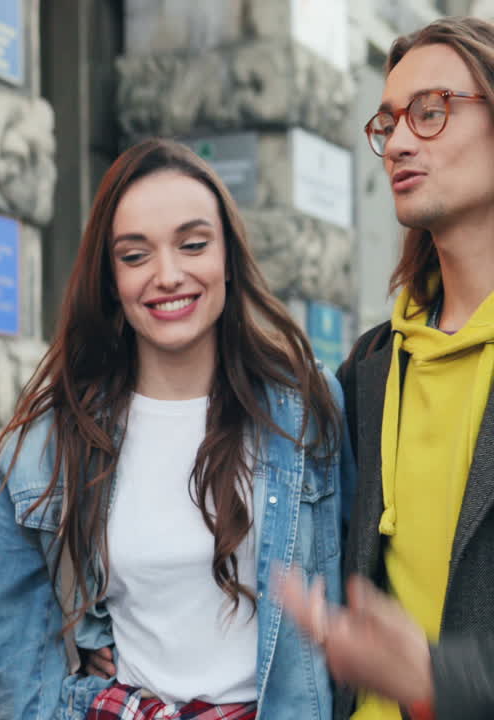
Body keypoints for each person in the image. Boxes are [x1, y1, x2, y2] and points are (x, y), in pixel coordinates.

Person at [0, 138, 351, 720]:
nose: (168, 275)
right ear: (110, 279)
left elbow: (348, 599)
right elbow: (19, 666)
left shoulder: (306, 408)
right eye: (135, 256)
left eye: (194, 244)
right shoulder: (45, 444)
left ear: (228, 255)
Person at [278, 16, 494, 720]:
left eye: (430, 112)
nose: (398, 141)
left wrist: (437, 679)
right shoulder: (367, 370)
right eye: (388, 122)